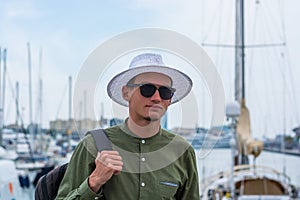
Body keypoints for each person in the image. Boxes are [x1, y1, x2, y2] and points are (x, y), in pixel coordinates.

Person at [55, 53, 200, 199]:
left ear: (169, 100)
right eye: (147, 89)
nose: (156, 98)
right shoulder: (92, 145)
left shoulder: (183, 151)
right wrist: (94, 181)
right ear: (126, 93)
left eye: (165, 92)